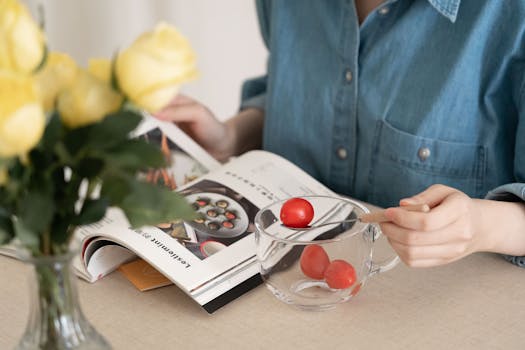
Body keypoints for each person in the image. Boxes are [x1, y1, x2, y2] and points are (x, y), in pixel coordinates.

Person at [155, 0, 525, 268]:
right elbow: (302, 91)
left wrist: (479, 226)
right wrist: (231, 137)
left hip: (439, 314)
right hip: (281, 290)